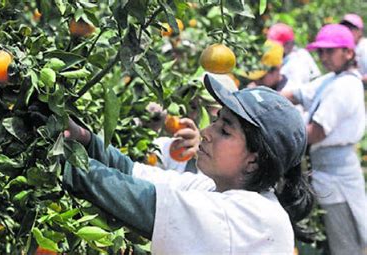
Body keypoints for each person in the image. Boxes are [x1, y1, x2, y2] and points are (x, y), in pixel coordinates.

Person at [63, 72, 314, 254]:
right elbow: (134, 175)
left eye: (225, 131)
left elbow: (144, 204)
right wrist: (84, 139)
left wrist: (56, 157)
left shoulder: (256, 216)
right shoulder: (212, 189)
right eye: (217, 120)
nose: (206, 131)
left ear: (254, 160)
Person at [281, 24, 367, 255]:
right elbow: (298, 94)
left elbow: (316, 132)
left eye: (330, 51)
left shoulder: (347, 86)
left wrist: (277, 134)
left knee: (344, 241)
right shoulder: (331, 79)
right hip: (324, 172)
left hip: (338, 177)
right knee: (328, 237)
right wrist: (264, 98)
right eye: (321, 52)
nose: (324, 56)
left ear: (348, 53)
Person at [340, 13, 367, 84]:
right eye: (344, 28)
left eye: (350, 28)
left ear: (360, 31)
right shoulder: (350, 48)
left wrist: (356, 82)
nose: (346, 31)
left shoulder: (364, 47)